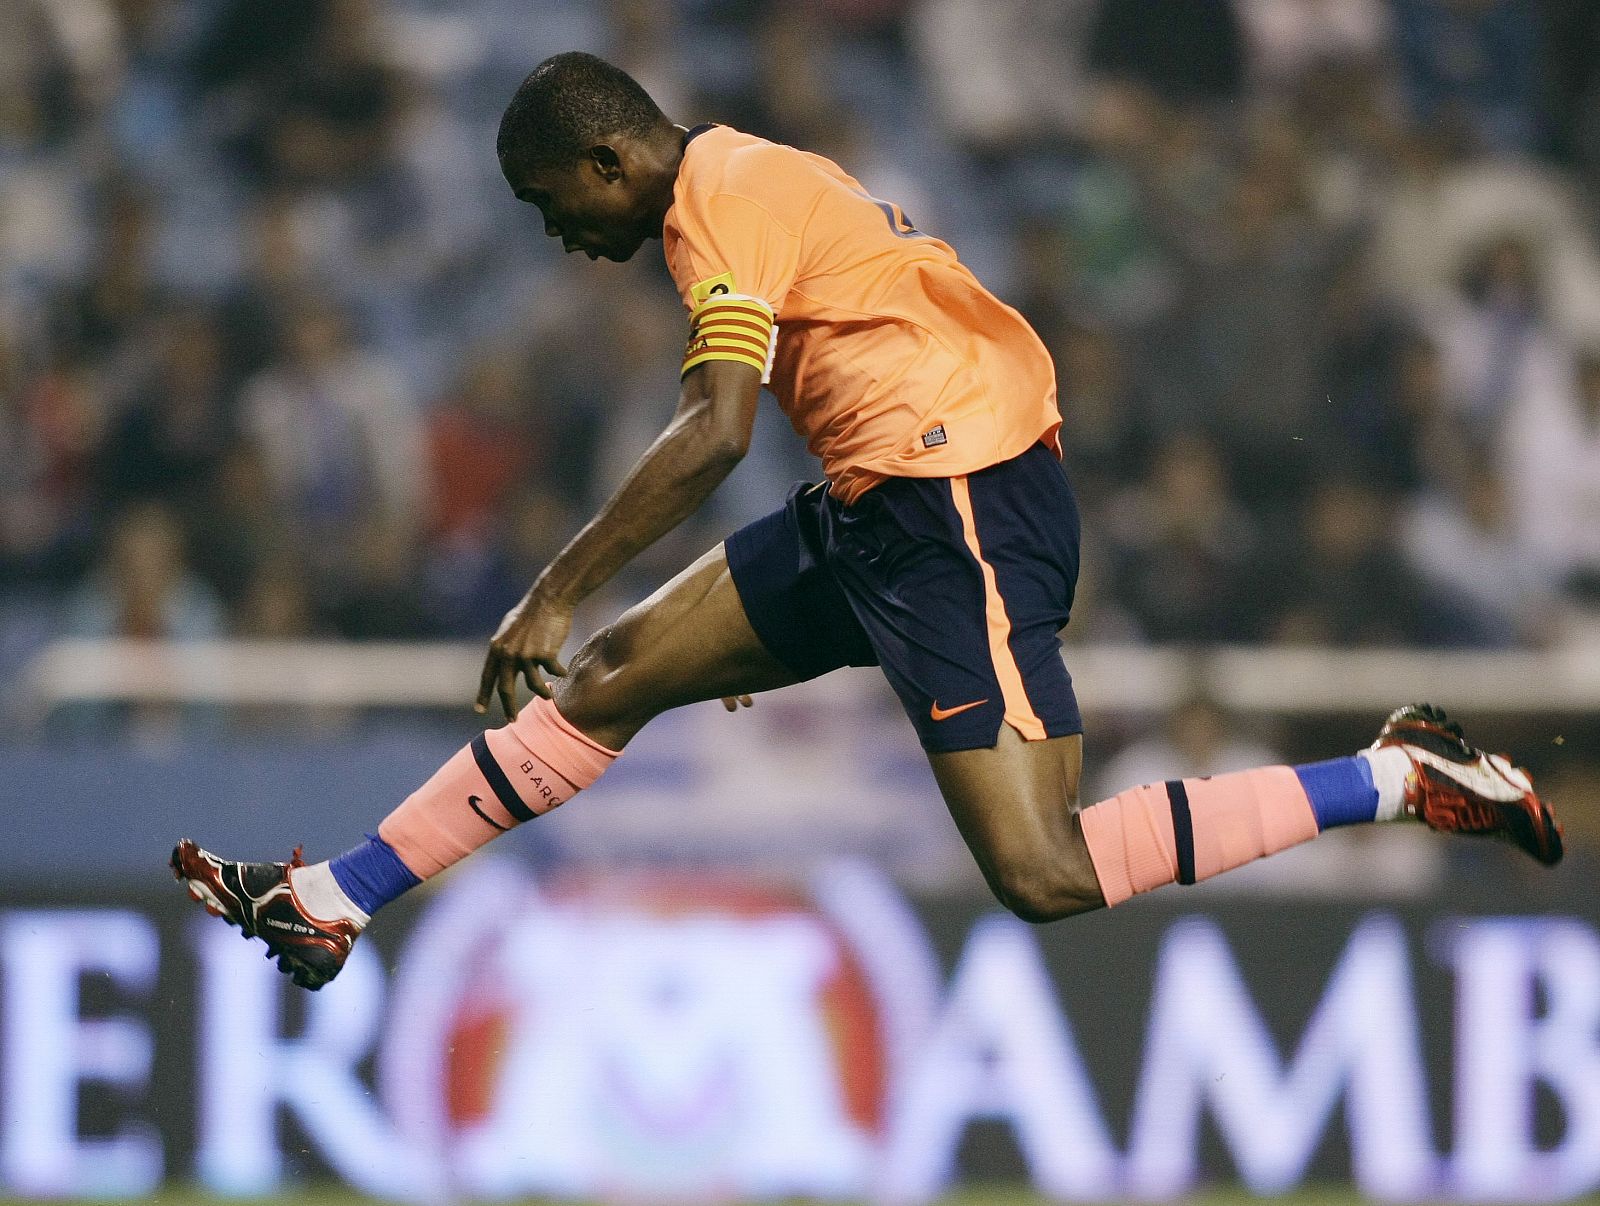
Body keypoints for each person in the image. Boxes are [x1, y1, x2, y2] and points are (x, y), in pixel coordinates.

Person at [172, 53, 1563, 990]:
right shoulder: (732, 188)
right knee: (610, 680)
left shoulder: (717, 204)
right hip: (877, 502)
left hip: (957, 501)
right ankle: (338, 895)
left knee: (1044, 868)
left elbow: (716, 434)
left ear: (607, 161)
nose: (558, 239)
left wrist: (551, 582)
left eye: (553, 209)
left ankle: (1396, 776)